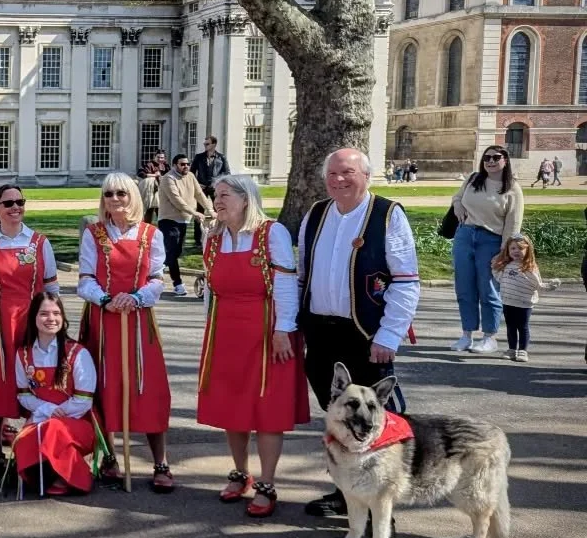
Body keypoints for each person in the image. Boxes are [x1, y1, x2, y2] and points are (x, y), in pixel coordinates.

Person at [298, 147, 420, 518]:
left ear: (366, 175)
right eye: (332, 173)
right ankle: (346, 493)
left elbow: (406, 279)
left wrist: (388, 335)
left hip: (365, 332)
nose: (338, 180)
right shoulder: (316, 213)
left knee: (375, 422)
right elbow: (302, 273)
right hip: (321, 331)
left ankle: (383, 510)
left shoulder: (387, 215)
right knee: (339, 418)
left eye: (347, 172)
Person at [197, 175, 309, 517]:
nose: (218, 200)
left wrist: (284, 330)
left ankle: (267, 482)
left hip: (266, 330)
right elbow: (211, 292)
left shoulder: (271, 233)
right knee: (234, 406)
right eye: (216, 194)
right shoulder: (213, 239)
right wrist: (209, 332)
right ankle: (240, 472)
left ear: (246, 199)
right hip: (225, 332)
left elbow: (286, 285)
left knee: (266, 409)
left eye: (225, 194)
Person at [78, 172, 172, 491]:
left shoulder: (150, 234)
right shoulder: (94, 233)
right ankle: (110, 456)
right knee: (106, 385)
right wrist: (105, 300)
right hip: (104, 319)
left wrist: (134, 298)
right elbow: (85, 278)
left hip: (138, 320)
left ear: (133, 195)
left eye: (121, 193)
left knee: (148, 386)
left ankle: (161, 462)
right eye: (108, 194)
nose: (114, 199)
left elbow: (158, 279)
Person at [0, 184, 60, 447]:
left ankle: (40, 442)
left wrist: (54, 322)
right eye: (8, 204)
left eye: (20, 202)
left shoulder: (40, 243)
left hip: (35, 322)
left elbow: (52, 288)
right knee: (1, 380)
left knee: (39, 377)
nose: (15, 208)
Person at [12, 291, 98, 497]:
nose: (51, 319)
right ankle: (50, 473)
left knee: (53, 431)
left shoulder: (77, 352)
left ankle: (74, 477)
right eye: (44, 314)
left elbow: (84, 400)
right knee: (27, 439)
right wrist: (46, 410)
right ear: (33, 318)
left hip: (78, 422)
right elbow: (23, 394)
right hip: (42, 418)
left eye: (56, 313)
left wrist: (55, 414)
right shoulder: (23, 354)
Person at [448, 146, 524, 353]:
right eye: (487, 158)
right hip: (465, 235)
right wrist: (458, 205)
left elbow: (513, 223)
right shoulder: (473, 179)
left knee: (488, 289)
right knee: (464, 287)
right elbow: (457, 197)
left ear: (505, 160)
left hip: (490, 239)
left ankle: (490, 336)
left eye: (496, 157)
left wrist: (504, 251)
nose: (490, 161)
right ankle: (466, 335)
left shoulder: (512, 188)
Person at [492, 233, 560, 362]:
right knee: (511, 327)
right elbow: (499, 277)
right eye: (513, 248)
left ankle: (523, 351)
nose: (516, 251)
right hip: (508, 302)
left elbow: (539, 286)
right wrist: (494, 265)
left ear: (528, 250)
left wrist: (551, 285)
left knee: (522, 327)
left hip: (524, 304)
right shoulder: (506, 266)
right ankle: (512, 349)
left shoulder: (530, 268)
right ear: (508, 250)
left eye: (520, 248)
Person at [157, 154, 212, 296]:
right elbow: (177, 200)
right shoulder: (168, 179)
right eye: (182, 164)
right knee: (172, 252)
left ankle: (156, 269)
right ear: (175, 165)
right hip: (168, 220)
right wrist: (195, 213)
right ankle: (178, 284)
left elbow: (199, 194)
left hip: (183, 219)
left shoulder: (191, 176)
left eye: (187, 164)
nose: (186, 166)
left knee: (175, 252)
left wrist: (210, 209)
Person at [138, 151, 167, 224]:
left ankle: (163, 229)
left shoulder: (166, 166)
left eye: (162, 157)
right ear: (155, 157)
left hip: (162, 191)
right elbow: (140, 174)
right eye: (158, 157)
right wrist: (154, 175)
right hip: (150, 192)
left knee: (161, 211)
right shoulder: (149, 165)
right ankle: (147, 228)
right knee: (149, 209)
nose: (160, 159)